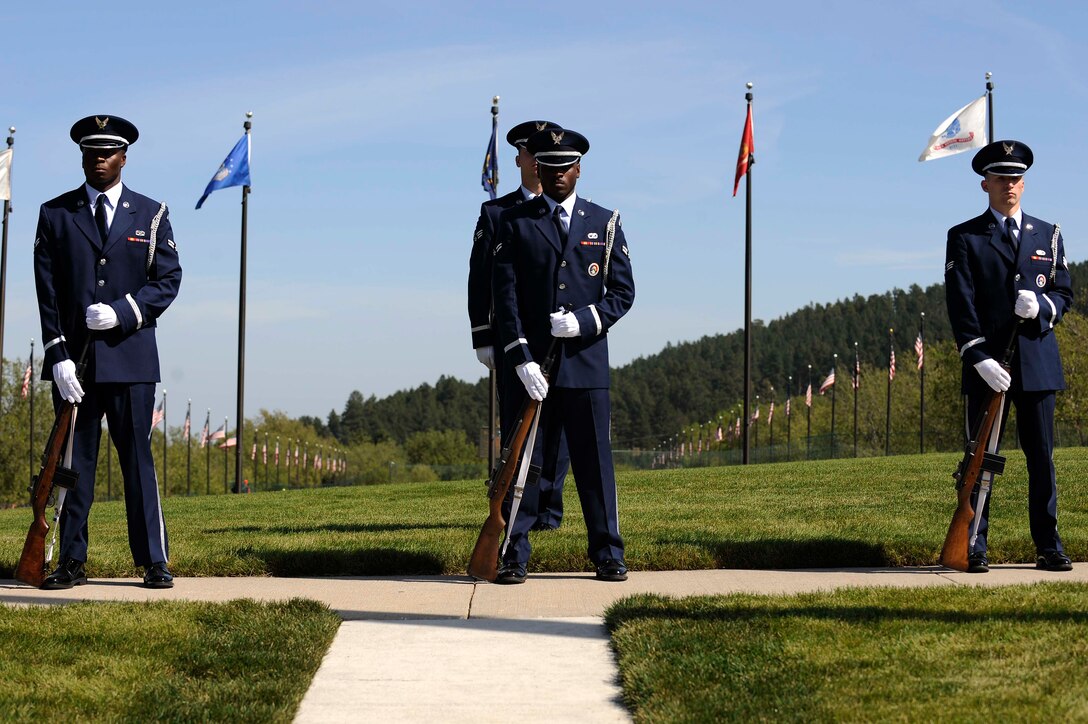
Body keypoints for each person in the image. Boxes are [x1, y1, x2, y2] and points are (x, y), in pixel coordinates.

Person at [33, 115, 182, 589]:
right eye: (91, 153)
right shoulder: (55, 214)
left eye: (108, 153)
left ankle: (153, 559)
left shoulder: (151, 213)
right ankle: (70, 560)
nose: (99, 160)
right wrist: (56, 355)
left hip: (131, 356)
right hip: (73, 363)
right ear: (81, 156)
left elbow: (168, 280)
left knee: (138, 459)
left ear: (124, 157)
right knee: (74, 466)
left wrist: (125, 311)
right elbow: (47, 290)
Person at [491, 127, 634, 583]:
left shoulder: (604, 222)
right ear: (538, 169)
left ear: (578, 170)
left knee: (594, 464)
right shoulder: (515, 223)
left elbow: (623, 293)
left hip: (586, 365)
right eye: (547, 167)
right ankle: (514, 552)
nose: (556, 176)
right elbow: (505, 299)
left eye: (564, 168)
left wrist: (586, 320)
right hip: (532, 368)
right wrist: (520, 358)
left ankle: (608, 552)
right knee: (523, 467)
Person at [944, 139, 1073, 573]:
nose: (1009, 186)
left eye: (1016, 178)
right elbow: (961, 304)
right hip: (988, 366)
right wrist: (978, 356)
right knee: (981, 459)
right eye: (1000, 179)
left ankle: (1048, 544)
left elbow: (1063, 292)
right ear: (985, 185)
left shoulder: (1048, 234)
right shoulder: (964, 237)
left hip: (1037, 362)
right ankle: (974, 542)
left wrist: (1043, 307)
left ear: (1025, 183)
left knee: (1042, 458)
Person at [467, 119, 571, 531]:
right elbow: (480, 278)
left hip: (561, 342)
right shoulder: (497, 212)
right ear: (520, 159)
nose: (540, 160)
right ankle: (514, 510)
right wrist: (483, 336)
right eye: (533, 152)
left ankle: (549, 510)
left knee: (559, 432)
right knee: (518, 427)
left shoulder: (567, 212)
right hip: (516, 342)